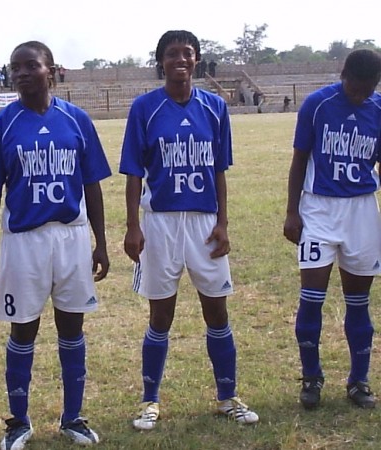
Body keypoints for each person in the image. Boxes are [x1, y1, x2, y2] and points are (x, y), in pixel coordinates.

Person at [0, 40, 110, 450]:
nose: (22, 73)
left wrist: (100, 242)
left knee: (72, 327)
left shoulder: (77, 120)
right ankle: (18, 420)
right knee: (23, 329)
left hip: (70, 237)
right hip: (23, 242)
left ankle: (73, 416)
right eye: (16, 68)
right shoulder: (1, 126)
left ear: (52, 70)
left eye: (31, 65)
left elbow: (92, 185)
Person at [119, 30, 259, 431]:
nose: (180, 59)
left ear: (198, 60)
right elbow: (132, 172)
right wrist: (132, 226)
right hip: (160, 222)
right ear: (160, 61)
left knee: (216, 309)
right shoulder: (144, 108)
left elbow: (219, 171)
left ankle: (227, 396)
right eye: (172, 53)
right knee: (160, 313)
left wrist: (224, 223)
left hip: (203, 222)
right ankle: (150, 401)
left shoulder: (215, 107)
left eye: (188, 53)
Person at [283, 49, 381, 410]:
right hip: (319, 207)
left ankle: (359, 381)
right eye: (355, 88)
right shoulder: (318, 104)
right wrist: (292, 211)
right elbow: (299, 159)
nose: (360, 96)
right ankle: (311, 378)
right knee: (312, 297)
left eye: (367, 90)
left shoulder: (378, 109)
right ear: (343, 76)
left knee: (359, 302)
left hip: (361, 211)